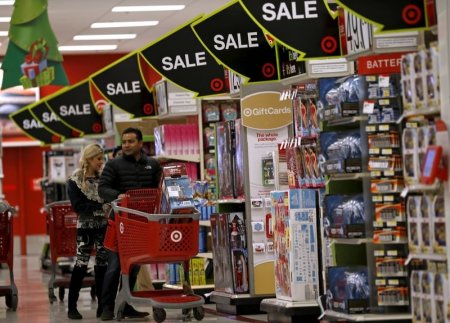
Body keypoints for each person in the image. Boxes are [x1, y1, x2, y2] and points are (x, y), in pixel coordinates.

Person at [98, 127, 161, 321]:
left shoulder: (152, 164)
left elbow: (159, 189)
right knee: (115, 266)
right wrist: (117, 195)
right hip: (120, 223)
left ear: (140, 144)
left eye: (130, 141)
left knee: (134, 266)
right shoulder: (114, 164)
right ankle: (106, 308)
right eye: (124, 142)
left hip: (142, 223)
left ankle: (125, 305)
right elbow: (102, 188)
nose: (126, 145)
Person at [66, 143, 109, 320]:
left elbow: (108, 200)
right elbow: (78, 206)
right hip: (85, 228)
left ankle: (102, 306)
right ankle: (72, 307)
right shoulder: (75, 179)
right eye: (99, 159)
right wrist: (101, 207)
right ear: (90, 159)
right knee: (81, 265)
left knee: (102, 266)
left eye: (103, 159)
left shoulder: (104, 178)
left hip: (104, 228)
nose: (101, 162)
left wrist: (98, 207)